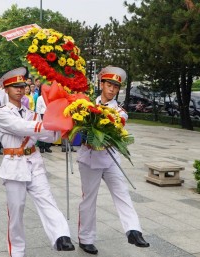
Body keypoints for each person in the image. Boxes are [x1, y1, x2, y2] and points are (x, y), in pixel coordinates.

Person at [0, 67, 74, 257]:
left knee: (47, 200)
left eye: (22, 86)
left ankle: (61, 236)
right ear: (6, 89)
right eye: (15, 87)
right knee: (16, 212)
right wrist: (52, 125)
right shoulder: (2, 113)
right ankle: (17, 252)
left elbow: (47, 135)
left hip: (34, 161)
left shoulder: (30, 112)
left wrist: (67, 126)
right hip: (14, 165)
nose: (20, 90)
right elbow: (22, 128)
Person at [77, 66, 149, 255]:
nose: (112, 89)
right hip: (89, 158)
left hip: (110, 159)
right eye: (109, 84)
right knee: (88, 200)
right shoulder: (86, 103)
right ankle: (86, 239)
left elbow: (116, 123)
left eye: (116, 87)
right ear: (102, 84)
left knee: (122, 193)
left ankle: (133, 230)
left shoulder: (120, 111)